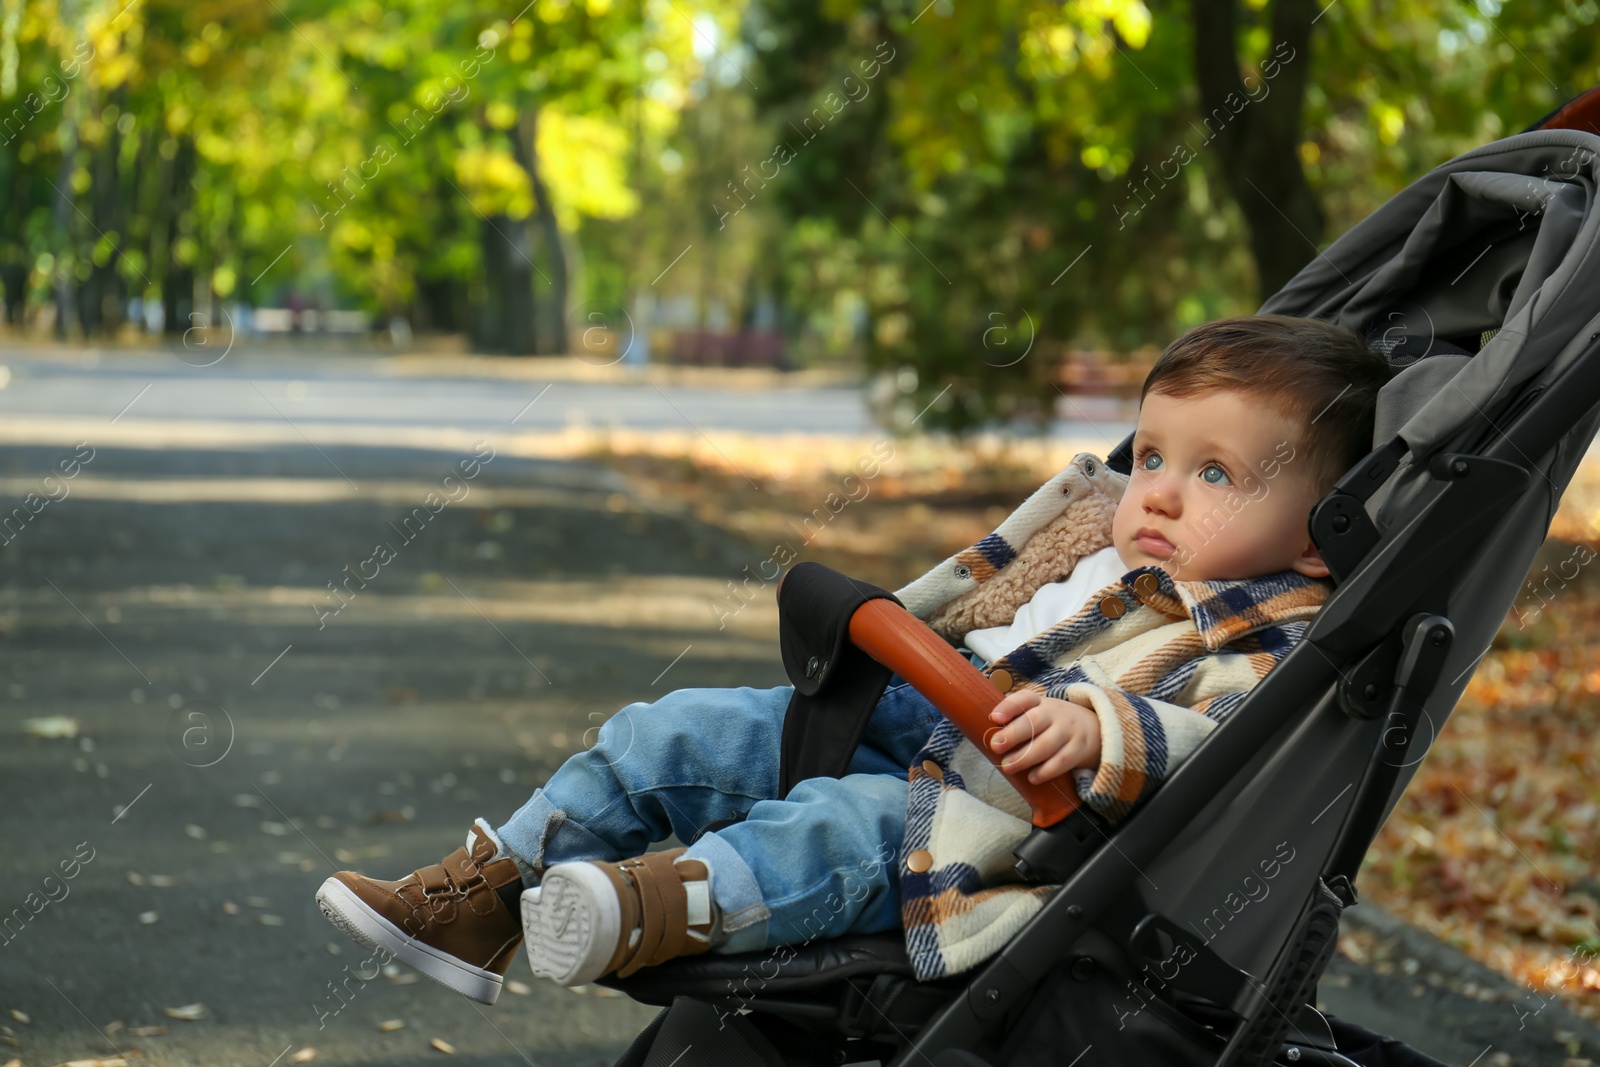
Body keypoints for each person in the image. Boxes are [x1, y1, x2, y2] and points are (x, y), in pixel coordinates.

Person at [314, 314, 1396, 1002]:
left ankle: (640, 908)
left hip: (1005, 810)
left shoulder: (1268, 628)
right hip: (910, 711)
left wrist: (1101, 728)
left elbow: (1235, 737)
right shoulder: (1089, 533)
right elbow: (977, 595)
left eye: (1216, 474)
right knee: (677, 728)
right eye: (1152, 452)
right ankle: (485, 891)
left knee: (833, 832)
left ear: (1316, 528)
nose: (1155, 489)